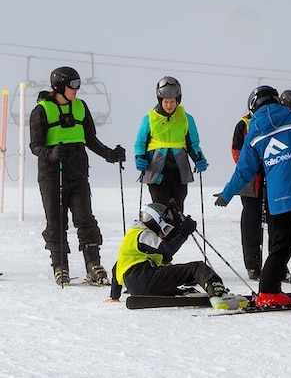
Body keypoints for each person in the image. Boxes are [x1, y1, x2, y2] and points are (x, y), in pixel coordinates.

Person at [215, 86, 291, 312]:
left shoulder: (253, 132)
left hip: (276, 199)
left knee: (281, 245)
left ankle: (268, 292)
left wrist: (227, 194)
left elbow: (244, 171)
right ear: (276, 100)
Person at [29, 66, 126, 286]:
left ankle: (93, 264)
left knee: (85, 219)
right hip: (52, 176)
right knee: (56, 222)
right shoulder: (41, 110)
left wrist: (111, 154)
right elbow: (35, 145)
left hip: (78, 174)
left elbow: (90, 139)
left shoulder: (81, 107)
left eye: (78, 84)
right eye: (72, 85)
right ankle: (60, 266)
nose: (77, 89)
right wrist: (51, 154)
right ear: (59, 87)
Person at [108, 202, 248, 310]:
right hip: (147, 279)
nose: (164, 234)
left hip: (136, 288)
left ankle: (183, 292)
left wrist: (114, 296)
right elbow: (167, 250)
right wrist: (185, 232)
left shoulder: (130, 239)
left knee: (173, 274)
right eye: (165, 228)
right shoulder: (143, 234)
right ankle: (218, 295)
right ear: (156, 222)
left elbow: (116, 269)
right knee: (196, 268)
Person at [134, 76, 208, 216]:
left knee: (177, 211)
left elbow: (193, 145)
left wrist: (199, 158)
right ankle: (161, 237)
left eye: (172, 102)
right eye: (166, 102)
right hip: (157, 173)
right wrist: (139, 157)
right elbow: (140, 143)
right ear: (160, 100)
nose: (169, 105)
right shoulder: (149, 119)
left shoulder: (187, 119)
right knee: (160, 210)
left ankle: (177, 236)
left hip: (179, 172)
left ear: (177, 100)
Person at [230, 107, 266, 280]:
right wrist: (255, 163)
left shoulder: (273, 120)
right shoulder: (244, 124)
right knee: (251, 222)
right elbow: (236, 152)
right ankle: (253, 265)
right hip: (251, 180)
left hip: (272, 177)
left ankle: (278, 264)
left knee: (277, 224)